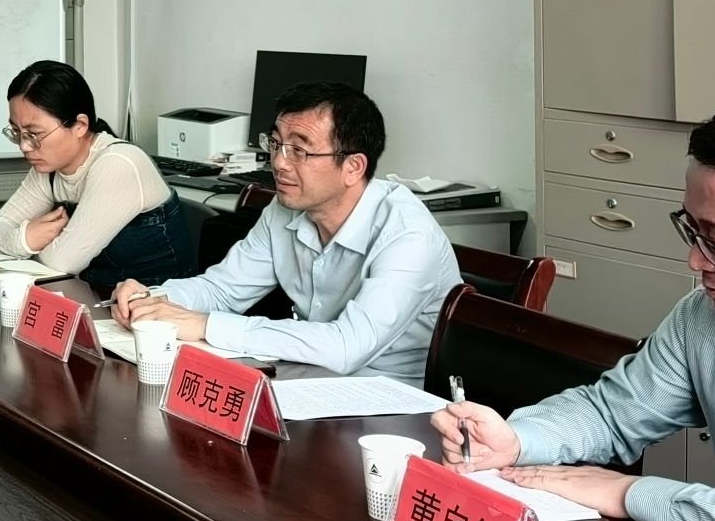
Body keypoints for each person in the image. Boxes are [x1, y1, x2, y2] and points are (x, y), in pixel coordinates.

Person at [433, 99, 715, 521]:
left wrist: (629, 493)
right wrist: (515, 439)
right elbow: (614, 413)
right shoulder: (703, 318)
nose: (696, 261)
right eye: (692, 230)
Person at [110, 82, 458, 385]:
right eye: (276, 144)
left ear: (353, 167)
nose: (278, 162)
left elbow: (346, 347)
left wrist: (205, 325)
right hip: (305, 379)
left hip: (390, 405)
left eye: (299, 150)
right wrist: (152, 300)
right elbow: (222, 289)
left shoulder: (408, 236)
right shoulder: (286, 208)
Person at [0, 61, 190, 292]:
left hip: (151, 305)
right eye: (16, 132)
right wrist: (25, 239)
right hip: (93, 296)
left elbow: (61, 263)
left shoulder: (118, 163)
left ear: (80, 125)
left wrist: (20, 244)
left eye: (34, 134)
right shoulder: (48, 167)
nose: (24, 146)